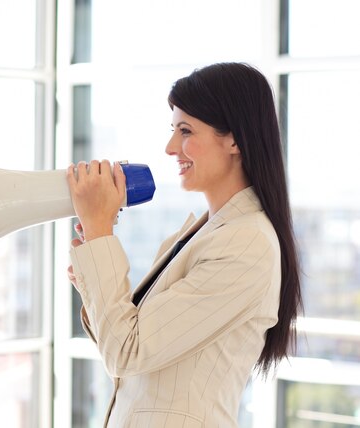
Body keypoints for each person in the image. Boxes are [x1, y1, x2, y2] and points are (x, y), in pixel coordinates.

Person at [65, 62, 302, 428]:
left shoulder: (245, 243)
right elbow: (129, 349)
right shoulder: (203, 233)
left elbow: (127, 351)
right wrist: (93, 279)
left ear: (235, 139)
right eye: (173, 130)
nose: (171, 146)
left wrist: (99, 233)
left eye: (186, 130)